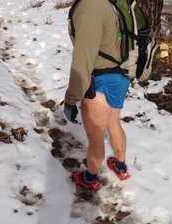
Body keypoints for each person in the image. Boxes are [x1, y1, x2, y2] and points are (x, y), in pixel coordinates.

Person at [64, 0, 131, 191]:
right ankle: (121, 166)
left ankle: (90, 178)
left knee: (96, 138)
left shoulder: (89, 7)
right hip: (121, 75)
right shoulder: (109, 2)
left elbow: (82, 62)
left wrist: (71, 100)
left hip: (100, 80)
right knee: (113, 122)